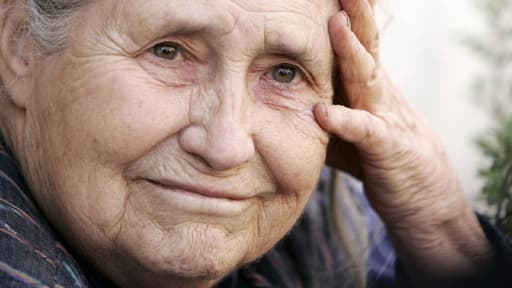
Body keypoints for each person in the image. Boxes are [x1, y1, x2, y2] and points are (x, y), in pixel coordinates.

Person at [0, 0, 510, 287]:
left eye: (285, 72)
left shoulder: (327, 221)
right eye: (169, 52)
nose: (226, 147)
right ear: (20, 47)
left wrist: (441, 229)